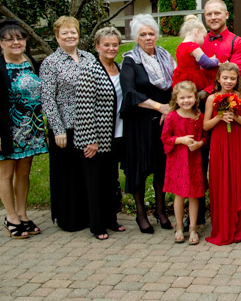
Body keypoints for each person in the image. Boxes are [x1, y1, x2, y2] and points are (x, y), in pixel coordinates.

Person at [0, 19, 49, 239]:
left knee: (24, 172)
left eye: (19, 38)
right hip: (7, 130)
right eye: (9, 39)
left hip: (30, 129)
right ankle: (10, 217)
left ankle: (22, 214)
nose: (16, 43)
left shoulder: (30, 61)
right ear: (0, 43)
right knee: (6, 171)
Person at [197, 0, 241, 225]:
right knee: (198, 164)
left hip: (221, 100)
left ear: (226, 14)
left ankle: (235, 216)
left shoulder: (238, 42)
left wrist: (208, 93)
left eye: (217, 13)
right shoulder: (197, 41)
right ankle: (199, 215)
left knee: (230, 166)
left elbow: (234, 72)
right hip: (196, 102)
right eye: (209, 14)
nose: (213, 17)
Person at [121, 14, 175, 234]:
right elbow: (130, 93)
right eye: (143, 34)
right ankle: (141, 213)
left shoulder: (165, 56)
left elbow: (177, 85)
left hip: (163, 123)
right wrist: (158, 107)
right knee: (140, 169)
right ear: (136, 37)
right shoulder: (130, 60)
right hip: (140, 123)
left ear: (157, 35)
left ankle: (160, 210)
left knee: (162, 167)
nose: (148, 38)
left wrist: (170, 107)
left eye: (151, 33)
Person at [40, 15, 94, 232]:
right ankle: (69, 218)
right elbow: (47, 98)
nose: (70, 36)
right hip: (66, 128)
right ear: (57, 36)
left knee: (86, 173)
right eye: (65, 33)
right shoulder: (50, 63)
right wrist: (57, 128)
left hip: (88, 125)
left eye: (73, 32)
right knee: (67, 175)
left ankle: (89, 215)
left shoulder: (89, 57)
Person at [74, 26, 127, 241]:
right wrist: (90, 140)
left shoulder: (120, 68)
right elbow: (84, 107)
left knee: (110, 179)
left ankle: (110, 218)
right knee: (95, 182)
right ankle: (97, 225)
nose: (111, 48)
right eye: (106, 45)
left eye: (114, 45)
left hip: (116, 134)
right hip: (95, 138)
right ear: (97, 46)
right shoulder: (89, 70)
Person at [203, 62, 241, 245]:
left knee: (237, 180)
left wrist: (235, 117)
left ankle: (239, 228)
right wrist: (219, 116)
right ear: (218, 79)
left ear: (237, 79)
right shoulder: (211, 98)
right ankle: (222, 227)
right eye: (225, 78)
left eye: (233, 78)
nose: (229, 81)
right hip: (219, 143)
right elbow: (205, 126)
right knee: (220, 182)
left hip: (237, 141)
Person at [161, 81, 206, 245]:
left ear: (195, 97)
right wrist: (180, 139)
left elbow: (205, 137)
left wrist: (199, 144)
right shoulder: (172, 117)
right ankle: (179, 226)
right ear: (176, 99)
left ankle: (193, 227)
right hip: (177, 160)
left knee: (194, 195)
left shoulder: (198, 117)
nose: (186, 101)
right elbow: (165, 138)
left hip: (194, 160)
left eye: (189, 97)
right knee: (179, 195)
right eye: (182, 98)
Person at [173, 15, 220, 89]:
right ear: (197, 32)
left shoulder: (180, 46)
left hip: (181, 80)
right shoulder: (193, 46)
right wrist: (215, 60)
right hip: (192, 80)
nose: (204, 41)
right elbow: (207, 64)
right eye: (203, 37)